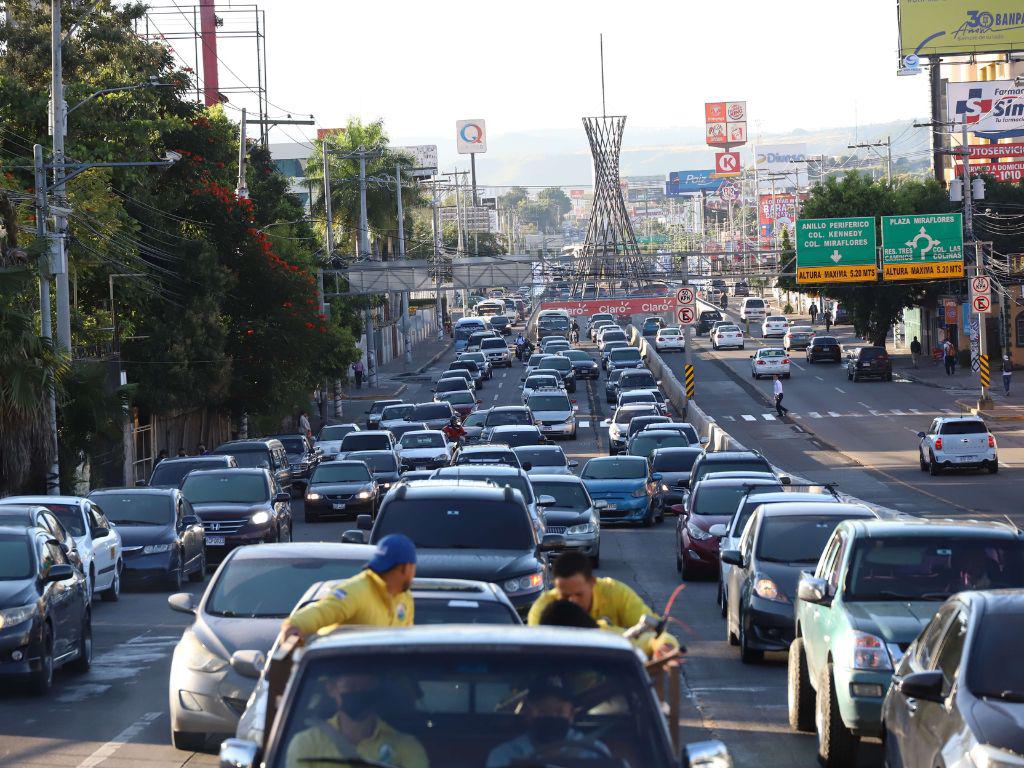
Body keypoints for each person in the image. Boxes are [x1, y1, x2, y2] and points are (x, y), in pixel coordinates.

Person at [527, 552, 677, 658]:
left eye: (578, 594)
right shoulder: (542, 609)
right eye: (565, 596)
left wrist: (663, 646)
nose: (572, 601)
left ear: (592, 582)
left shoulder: (615, 593)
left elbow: (655, 632)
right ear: (555, 586)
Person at [281, 534, 416, 640]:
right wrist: (294, 628)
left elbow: (407, 641)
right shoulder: (355, 592)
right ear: (406, 568)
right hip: (345, 674)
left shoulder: (405, 598)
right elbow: (319, 613)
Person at [284, 672, 428, 768]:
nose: (358, 694)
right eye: (351, 687)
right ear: (331, 689)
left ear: (376, 691)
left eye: (366, 688)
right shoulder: (306, 744)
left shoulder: (407, 747)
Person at [485, 680, 611, 768]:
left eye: (558, 711)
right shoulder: (504, 755)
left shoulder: (595, 752)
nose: (551, 717)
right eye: (542, 711)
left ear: (571, 714)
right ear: (528, 713)